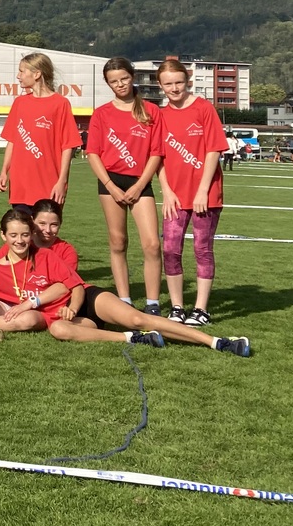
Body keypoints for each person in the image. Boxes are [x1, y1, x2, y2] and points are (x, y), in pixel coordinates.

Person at [28, 200, 251, 355]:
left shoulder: (66, 250)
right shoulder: (20, 249)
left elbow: (64, 287)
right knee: (59, 330)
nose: (48, 230)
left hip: (84, 300)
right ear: (31, 222)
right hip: (62, 316)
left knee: (137, 319)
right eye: (42, 223)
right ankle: (134, 338)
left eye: (54, 224)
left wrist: (33, 303)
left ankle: (217, 342)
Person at [84, 57, 164, 312]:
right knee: (118, 242)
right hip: (111, 183)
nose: (120, 84)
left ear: (133, 77)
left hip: (140, 183)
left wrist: (140, 186)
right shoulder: (102, 113)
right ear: (108, 83)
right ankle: (125, 300)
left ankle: (153, 303)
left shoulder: (151, 111)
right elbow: (93, 153)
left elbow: (156, 152)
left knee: (152, 244)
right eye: (114, 81)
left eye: (124, 78)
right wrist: (110, 185)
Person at [155, 57, 228, 327]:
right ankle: (177, 306)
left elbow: (214, 150)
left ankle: (201, 309)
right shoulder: (160, 115)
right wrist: (166, 191)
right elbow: (157, 157)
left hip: (205, 195)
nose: (174, 88)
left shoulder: (203, 108)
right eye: (168, 84)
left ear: (188, 81)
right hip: (174, 196)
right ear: (160, 85)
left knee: (202, 248)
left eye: (179, 82)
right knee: (170, 248)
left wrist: (202, 191)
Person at [0, 208, 85, 343]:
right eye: (13, 235)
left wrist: (31, 303)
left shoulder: (46, 256)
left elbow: (71, 285)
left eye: (25, 235)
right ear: (3, 235)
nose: (19, 240)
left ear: (32, 234)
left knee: (28, 319)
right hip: (10, 308)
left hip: (40, 311)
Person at [0, 52, 81, 210]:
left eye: (22, 71)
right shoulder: (19, 103)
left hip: (49, 185)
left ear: (37, 74)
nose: (18, 76)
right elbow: (12, 141)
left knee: (45, 226)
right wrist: (3, 171)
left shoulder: (60, 104)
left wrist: (62, 181)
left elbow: (68, 146)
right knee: (21, 226)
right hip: (20, 185)